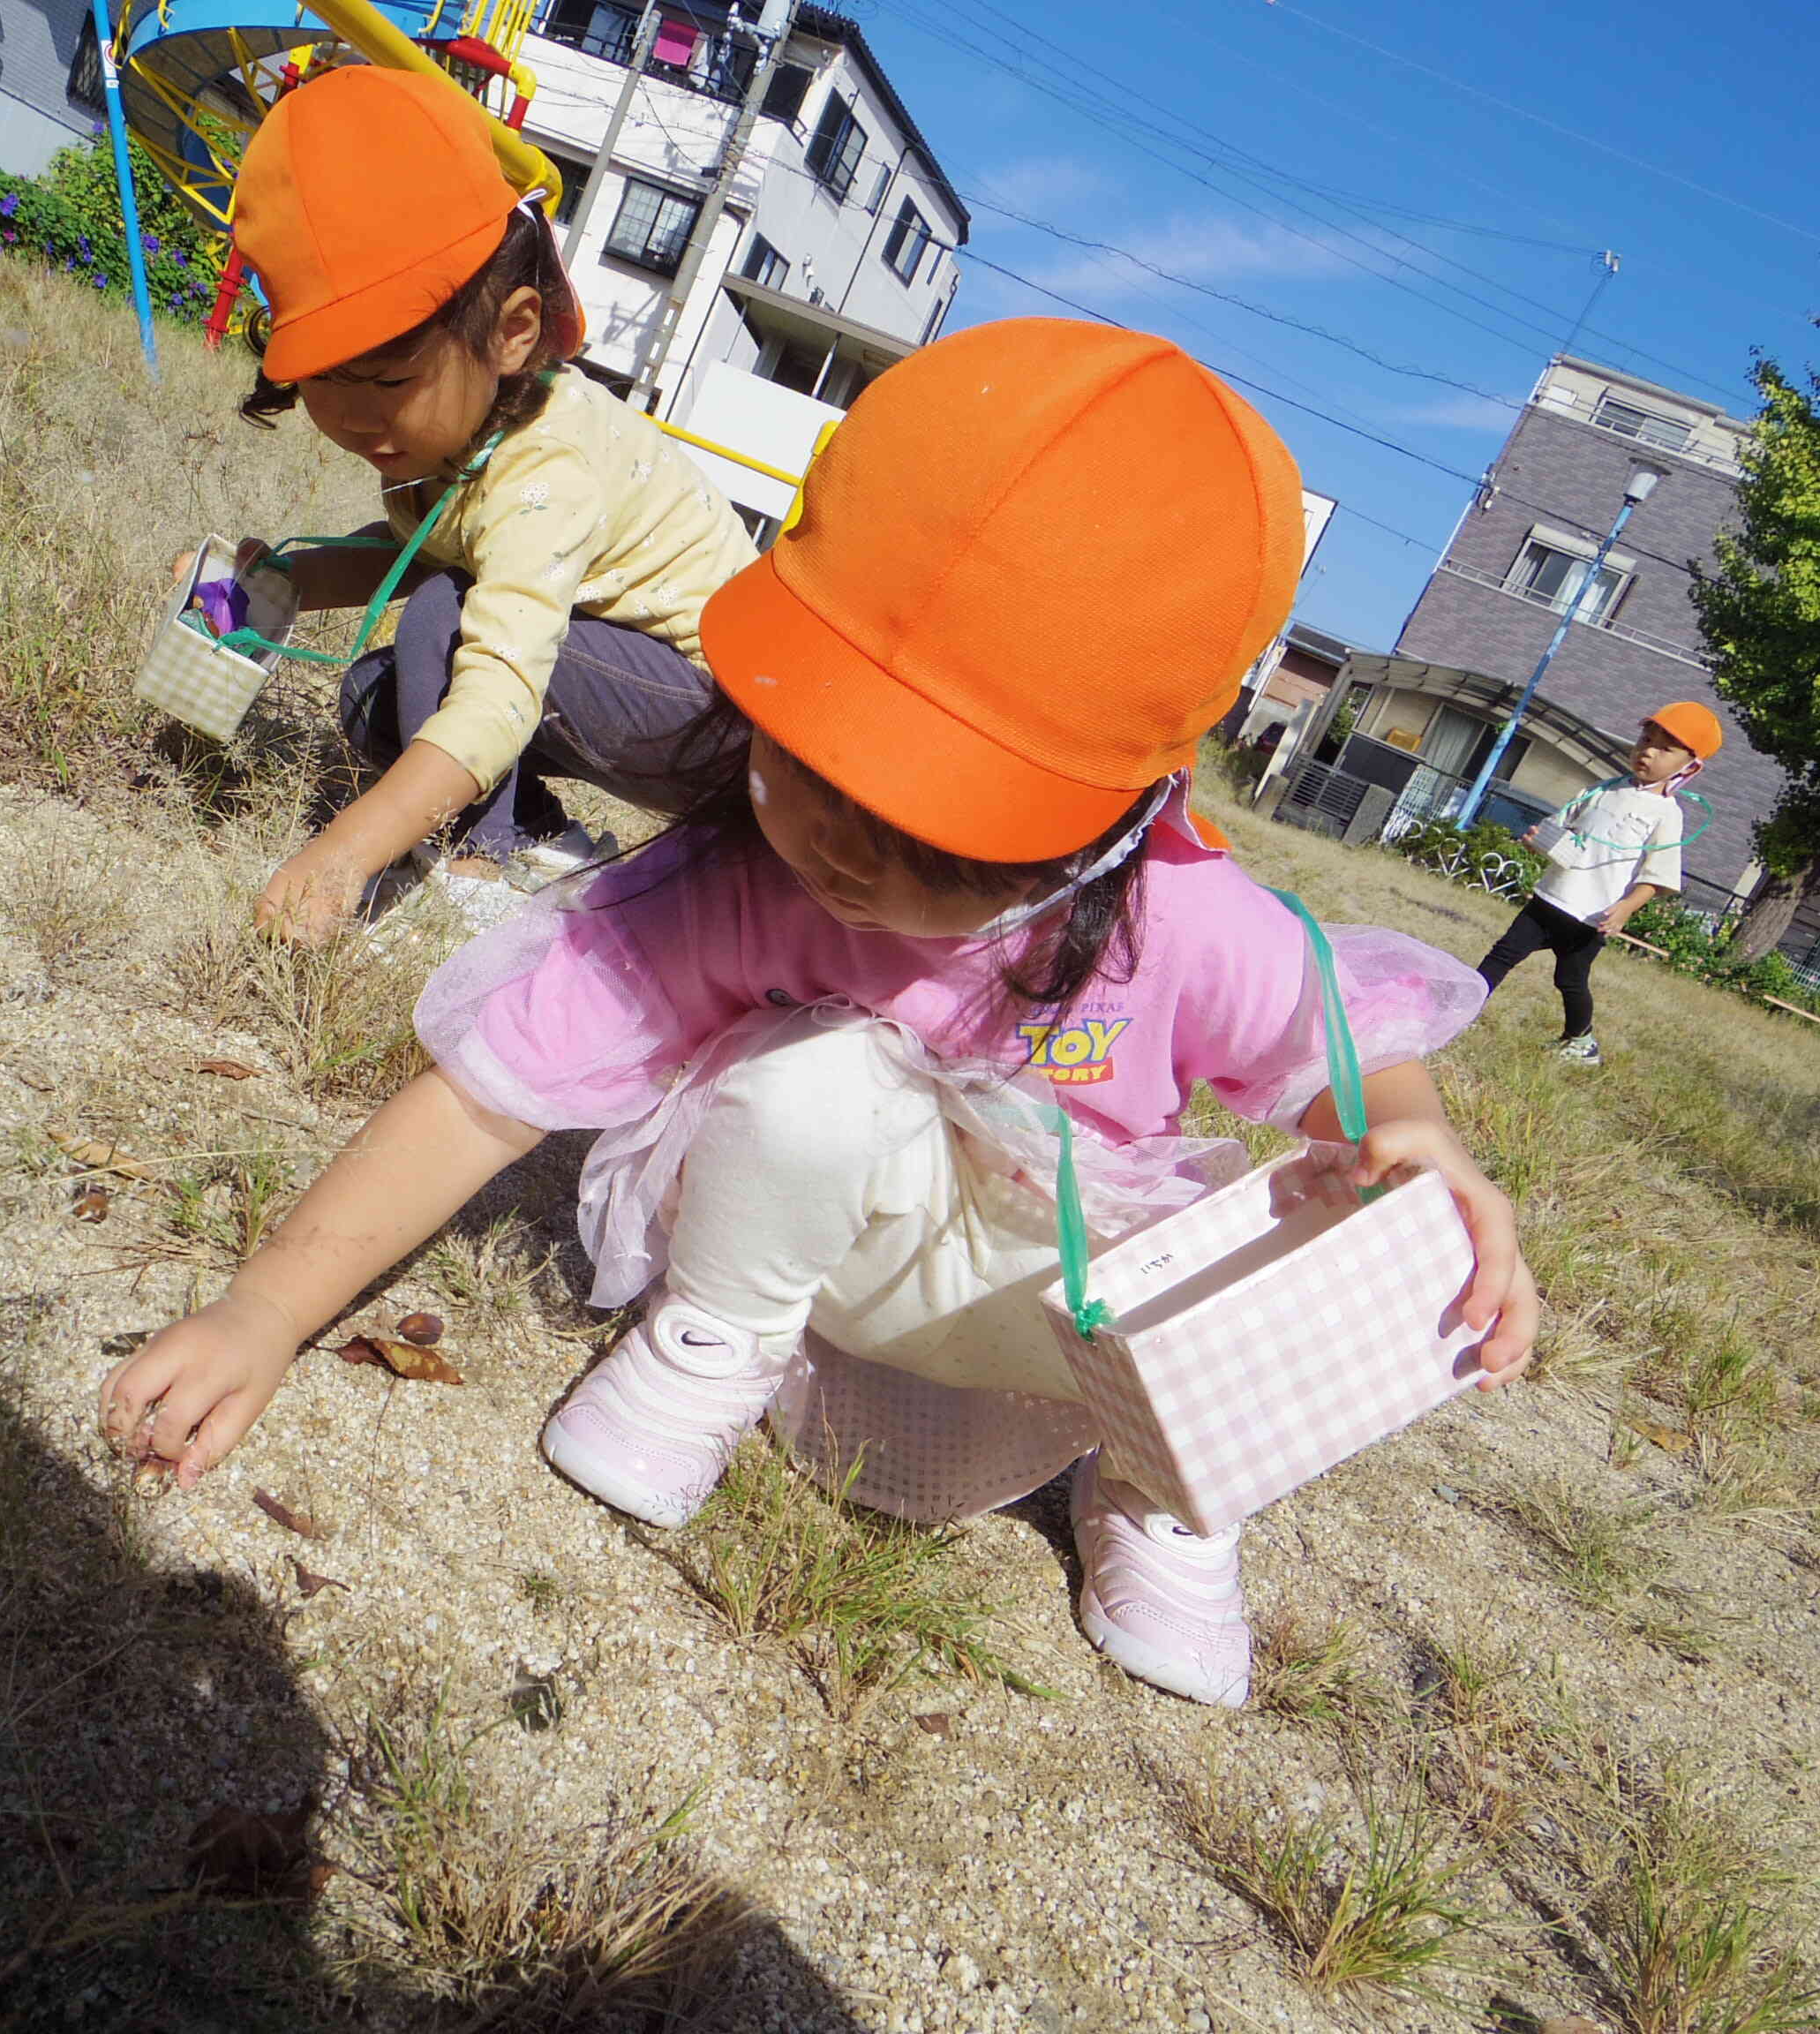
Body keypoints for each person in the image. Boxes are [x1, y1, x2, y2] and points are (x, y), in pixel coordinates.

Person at [102, 320, 1539, 1708]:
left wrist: (1411, 1140)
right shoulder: (757, 872)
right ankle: (710, 1340)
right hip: (829, 1277)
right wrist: (264, 1309)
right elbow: (490, 1089)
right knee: (811, 1073)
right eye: (808, 753)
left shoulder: (1186, 919)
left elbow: (1344, 1050)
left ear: (1110, 821)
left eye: (941, 820)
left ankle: (1168, 1493)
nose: (842, 843)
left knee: (1290, 1213)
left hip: (1066, 1323)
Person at [216, 66, 760, 941]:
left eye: (390, 377)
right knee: (373, 695)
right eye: (322, 379)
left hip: (721, 721)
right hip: (618, 685)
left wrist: (347, 850)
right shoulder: (445, 434)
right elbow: (407, 551)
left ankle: (482, 856)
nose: (356, 414)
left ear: (511, 334)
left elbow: (501, 676)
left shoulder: (548, 463)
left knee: (446, 614)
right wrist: (244, 594)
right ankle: (549, 843)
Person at [1476, 704, 1722, 1066]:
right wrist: (1538, 839)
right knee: (1503, 954)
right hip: (1550, 899)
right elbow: (1560, 827)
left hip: (1590, 919)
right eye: (1645, 739)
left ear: (1690, 767)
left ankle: (1580, 1041)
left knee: (1570, 980)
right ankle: (1460, 1009)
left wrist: (1624, 909)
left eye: (1664, 749)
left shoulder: (1667, 815)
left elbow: (1656, 877)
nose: (1648, 751)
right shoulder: (1602, 790)